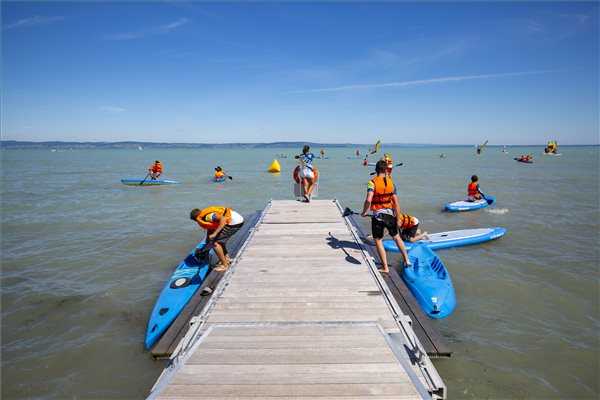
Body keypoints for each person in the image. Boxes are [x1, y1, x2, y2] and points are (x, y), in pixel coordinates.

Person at [361, 160, 411, 273]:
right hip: (390, 215)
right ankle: (407, 260)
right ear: (386, 170)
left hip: (378, 216)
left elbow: (369, 200)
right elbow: (396, 203)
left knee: (378, 240)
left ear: (376, 170)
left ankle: (385, 267)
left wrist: (364, 212)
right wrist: (398, 218)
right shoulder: (391, 183)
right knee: (396, 237)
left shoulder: (371, 183)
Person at [190, 206, 244, 272]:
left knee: (215, 243)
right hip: (236, 220)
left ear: (196, 219)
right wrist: (208, 240)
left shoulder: (207, 217)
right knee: (219, 241)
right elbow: (211, 228)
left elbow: (223, 219)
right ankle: (227, 259)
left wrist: (215, 233)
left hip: (234, 222)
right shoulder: (205, 215)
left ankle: (225, 265)